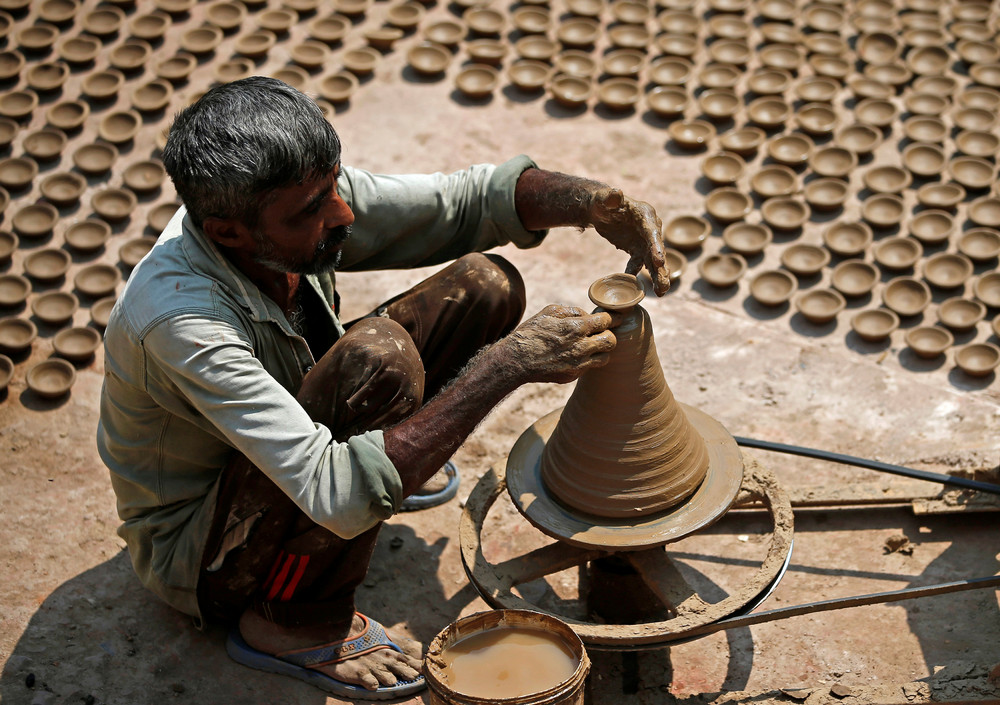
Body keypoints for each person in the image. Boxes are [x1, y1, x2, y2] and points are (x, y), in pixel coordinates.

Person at [97, 76, 669, 699]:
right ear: (228, 233)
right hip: (205, 547)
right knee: (379, 365)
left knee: (485, 283)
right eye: (312, 210)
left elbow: (464, 203)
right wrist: (507, 366)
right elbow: (334, 490)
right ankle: (290, 620)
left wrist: (591, 202)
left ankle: (393, 462)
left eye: (334, 186)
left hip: (285, 448)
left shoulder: (288, 204)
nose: (340, 213)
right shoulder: (181, 322)